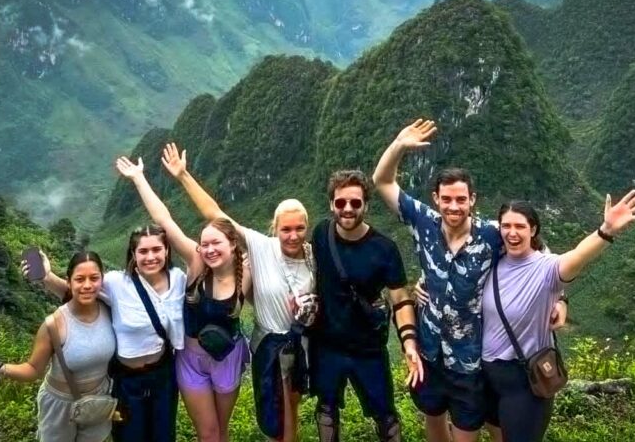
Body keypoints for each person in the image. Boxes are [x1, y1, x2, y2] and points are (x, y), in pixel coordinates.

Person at [372, 119, 567, 442]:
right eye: (447, 199)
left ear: (472, 200)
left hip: (470, 360)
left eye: (461, 200)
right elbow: (382, 180)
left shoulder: (493, 234)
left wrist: (560, 299)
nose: (453, 206)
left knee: (466, 430)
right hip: (429, 350)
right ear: (436, 198)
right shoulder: (424, 222)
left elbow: (546, 260)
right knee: (432, 418)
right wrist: (399, 145)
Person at [160, 142, 316, 442]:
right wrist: (183, 175)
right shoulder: (260, 247)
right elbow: (214, 213)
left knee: (291, 415)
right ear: (275, 228)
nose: (293, 235)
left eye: (299, 228)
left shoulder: (314, 257)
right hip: (269, 344)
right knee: (274, 417)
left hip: (302, 347)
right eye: (286, 229)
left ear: (307, 228)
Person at [482, 196, 635, 441]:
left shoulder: (547, 268)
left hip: (526, 380)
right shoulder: (491, 262)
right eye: (506, 226)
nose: (512, 233)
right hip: (488, 375)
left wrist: (606, 231)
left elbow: (579, 255)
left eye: (520, 227)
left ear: (533, 229)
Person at [115, 156, 251, 442]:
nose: (210, 250)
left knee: (221, 431)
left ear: (233, 244)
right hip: (190, 359)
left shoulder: (248, 271)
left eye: (217, 243)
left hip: (228, 357)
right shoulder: (197, 262)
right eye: (205, 244)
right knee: (208, 433)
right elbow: (164, 220)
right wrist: (140, 178)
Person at [38, 225, 185, 441]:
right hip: (124, 384)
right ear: (133, 255)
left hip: (163, 377)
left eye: (156, 249)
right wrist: (47, 276)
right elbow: (81, 291)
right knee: (127, 434)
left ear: (167, 251)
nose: (150, 257)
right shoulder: (117, 282)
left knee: (163, 435)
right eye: (143, 251)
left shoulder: (178, 279)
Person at [309, 170, 422, 442]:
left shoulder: (384, 248)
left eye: (355, 203)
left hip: (368, 347)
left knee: (386, 417)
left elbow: (400, 298)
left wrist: (408, 342)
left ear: (366, 205)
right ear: (331, 204)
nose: (347, 209)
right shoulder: (321, 234)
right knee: (326, 411)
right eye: (340, 203)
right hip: (327, 345)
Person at [0, 251, 116, 442]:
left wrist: (47, 276)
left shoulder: (110, 310)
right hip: (59, 406)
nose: (87, 285)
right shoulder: (54, 324)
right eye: (79, 279)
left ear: (102, 280)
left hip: (98, 402)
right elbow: (33, 369)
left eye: (94, 278)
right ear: (69, 282)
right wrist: (0, 368)